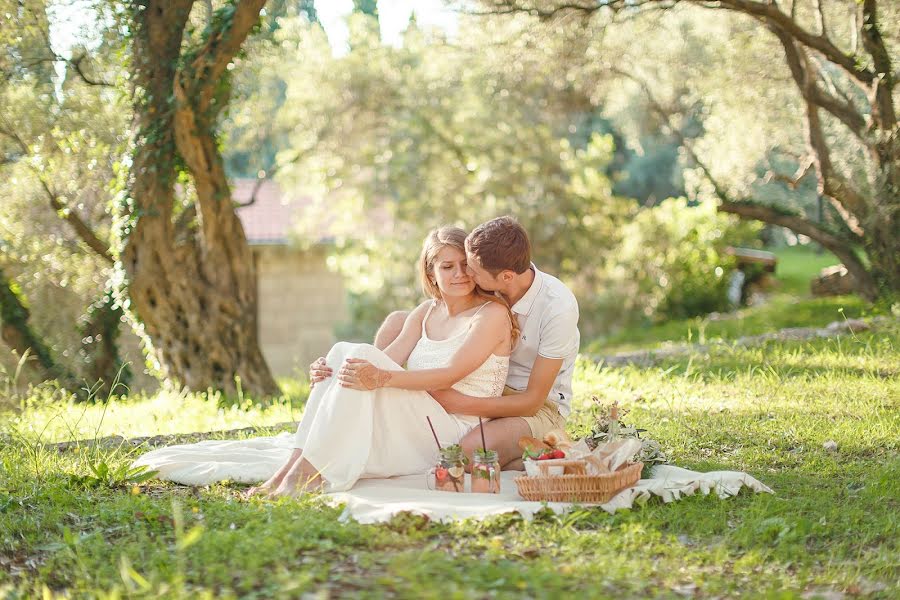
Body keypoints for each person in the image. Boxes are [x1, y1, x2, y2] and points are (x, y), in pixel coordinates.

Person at [134, 226, 515, 495]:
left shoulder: (490, 314)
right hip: (419, 418)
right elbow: (386, 360)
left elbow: (448, 374)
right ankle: (293, 469)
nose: (459, 274)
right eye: (447, 266)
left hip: (454, 434)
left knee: (359, 357)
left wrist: (377, 377)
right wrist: (331, 373)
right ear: (432, 273)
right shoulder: (424, 313)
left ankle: (304, 474)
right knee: (343, 354)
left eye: (464, 264)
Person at [311, 216, 580, 472]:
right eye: (454, 266)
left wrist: (457, 402)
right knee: (397, 321)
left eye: (471, 269)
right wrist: (335, 372)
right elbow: (440, 316)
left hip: (532, 406)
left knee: (462, 456)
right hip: (485, 386)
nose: (466, 275)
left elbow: (531, 402)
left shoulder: (557, 309)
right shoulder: (491, 275)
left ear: (506, 277)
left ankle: (541, 452)